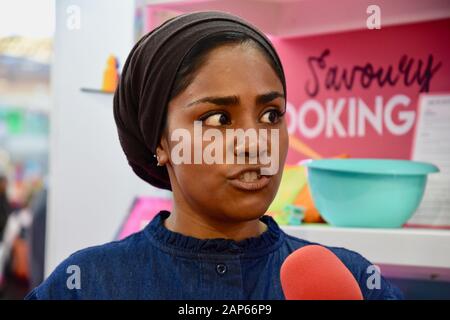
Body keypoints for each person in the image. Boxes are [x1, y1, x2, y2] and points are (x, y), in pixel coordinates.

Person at [25, 11, 403, 300]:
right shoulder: (88, 284)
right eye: (219, 118)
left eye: (271, 115)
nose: (255, 143)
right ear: (160, 141)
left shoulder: (350, 279)